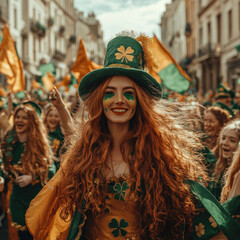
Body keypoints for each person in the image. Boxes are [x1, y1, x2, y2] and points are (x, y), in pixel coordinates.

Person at [26, 32, 240, 240]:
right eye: (110, 92)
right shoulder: (82, 155)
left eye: (128, 93)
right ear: (100, 99)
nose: (119, 99)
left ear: (140, 102)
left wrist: (234, 199)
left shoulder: (164, 157)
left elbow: (196, 226)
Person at [0, 101, 55, 240]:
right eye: (18, 117)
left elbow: (51, 169)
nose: (20, 120)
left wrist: (32, 177)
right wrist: (1, 176)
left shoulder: (38, 143)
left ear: (31, 122)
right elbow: (3, 165)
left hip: (35, 200)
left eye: (24, 118)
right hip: (16, 200)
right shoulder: (8, 141)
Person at [208, 119, 240, 200]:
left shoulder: (238, 175)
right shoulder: (218, 168)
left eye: (232, 140)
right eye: (223, 138)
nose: (225, 143)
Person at [44, 103, 64, 171]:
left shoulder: (62, 135)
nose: (53, 118)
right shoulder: (41, 133)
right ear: (46, 117)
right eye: (50, 115)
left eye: (56, 116)